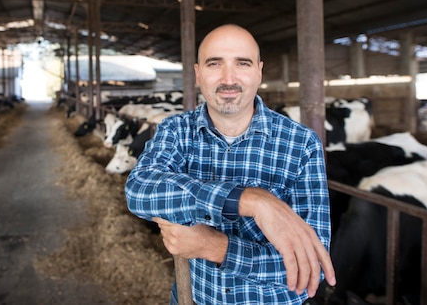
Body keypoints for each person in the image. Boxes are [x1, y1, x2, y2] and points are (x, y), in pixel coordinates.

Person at [125, 24, 336, 304]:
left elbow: (313, 267)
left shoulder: (302, 144)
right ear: (198, 74)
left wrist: (215, 247)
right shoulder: (175, 130)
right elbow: (139, 190)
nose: (228, 78)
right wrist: (251, 201)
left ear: (259, 72)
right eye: (215, 64)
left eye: (243, 63)